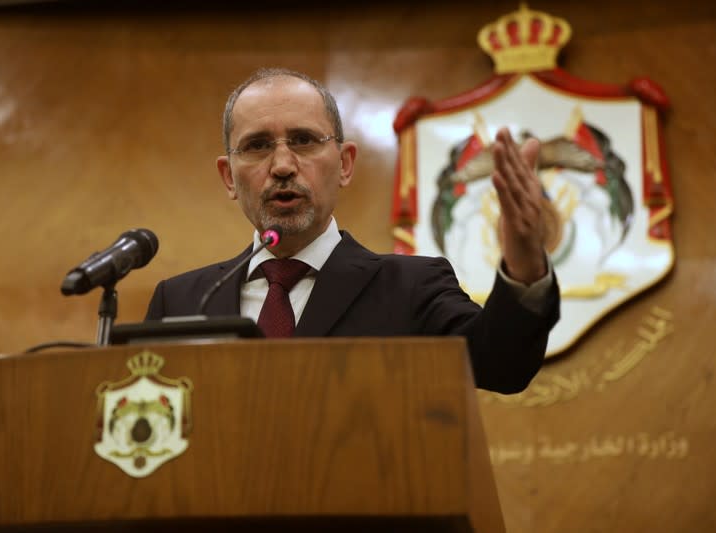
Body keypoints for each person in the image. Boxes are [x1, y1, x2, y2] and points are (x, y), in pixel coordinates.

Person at [145, 67, 560, 394]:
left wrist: (524, 264)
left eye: (304, 140)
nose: (283, 165)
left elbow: (502, 366)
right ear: (229, 177)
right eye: (257, 146)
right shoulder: (181, 302)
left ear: (344, 164)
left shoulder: (411, 289)